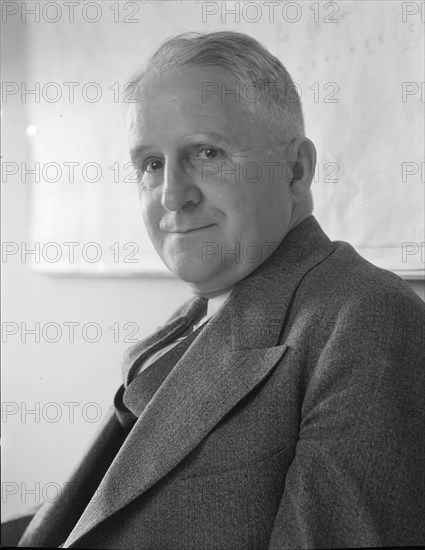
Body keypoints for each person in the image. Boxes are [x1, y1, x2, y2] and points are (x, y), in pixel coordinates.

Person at [9, 31, 425, 549]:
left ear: (296, 172)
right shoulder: (193, 316)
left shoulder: (367, 319)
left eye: (207, 152)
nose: (173, 196)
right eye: (152, 164)